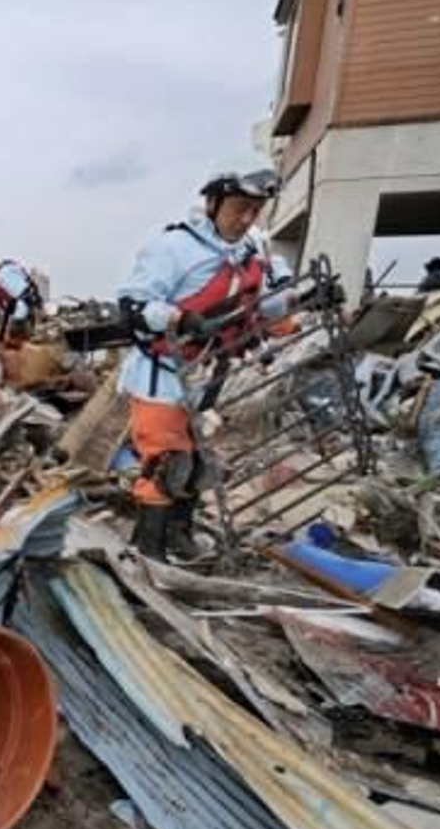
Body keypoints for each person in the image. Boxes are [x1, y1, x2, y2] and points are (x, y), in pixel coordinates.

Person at [116, 166, 304, 562]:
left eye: (256, 209)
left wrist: (302, 300)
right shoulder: (172, 248)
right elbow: (133, 305)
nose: (247, 219)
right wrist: (179, 318)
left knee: (199, 461)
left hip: (209, 375)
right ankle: (147, 549)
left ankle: (178, 535)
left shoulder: (257, 247)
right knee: (167, 463)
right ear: (213, 204)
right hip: (163, 376)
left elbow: (271, 304)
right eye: (239, 208)